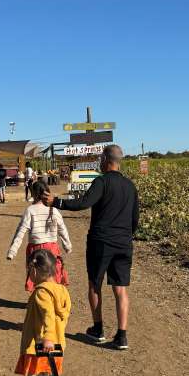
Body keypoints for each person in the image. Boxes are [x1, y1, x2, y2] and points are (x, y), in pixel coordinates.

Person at [46, 144, 137, 351]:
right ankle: (122, 336)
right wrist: (125, 235)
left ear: (105, 160)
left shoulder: (101, 182)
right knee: (120, 288)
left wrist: (57, 202)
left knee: (95, 284)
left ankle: (98, 329)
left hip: (101, 241)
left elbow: (83, 203)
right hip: (123, 242)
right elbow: (135, 219)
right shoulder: (130, 186)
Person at [15, 249, 71, 376]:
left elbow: (47, 314)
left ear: (35, 270)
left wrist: (47, 337)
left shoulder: (41, 292)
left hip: (38, 349)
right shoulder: (62, 291)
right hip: (57, 349)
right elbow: (59, 317)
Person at [7, 181, 72, 290]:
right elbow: (62, 229)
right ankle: (53, 297)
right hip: (52, 249)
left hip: (35, 250)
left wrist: (12, 251)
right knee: (52, 276)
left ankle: (40, 297)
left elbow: (20, 231)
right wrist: (67, 246)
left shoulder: (30, 210)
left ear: (33, 193)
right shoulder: (54, 210)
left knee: (37, 277)